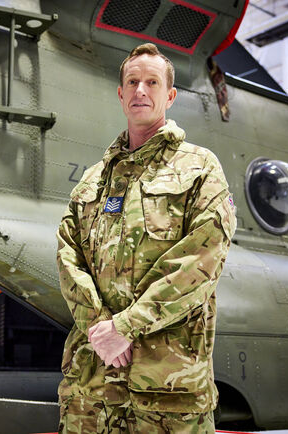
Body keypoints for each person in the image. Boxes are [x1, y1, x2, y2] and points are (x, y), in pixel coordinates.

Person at [56, 43, 236, 433]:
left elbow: (201, 262)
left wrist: (126, 327)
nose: (141, 90)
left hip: (166, 391)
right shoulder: (93, 180)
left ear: (169, 96)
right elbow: (68, 256)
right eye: (132, 82)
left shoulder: (200, 168)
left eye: (152, 82)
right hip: (93, 387)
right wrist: (101, 326)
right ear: (120, 94)